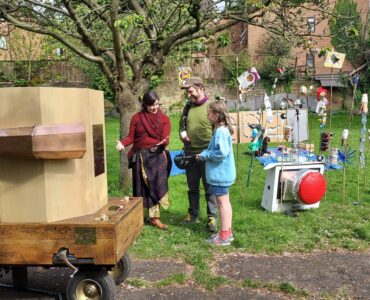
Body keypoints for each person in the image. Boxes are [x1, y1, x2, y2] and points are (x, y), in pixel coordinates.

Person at [116, 91, 171, 230]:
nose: (155, 107)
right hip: (140, 157)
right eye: (151, 105)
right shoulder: (137, 118)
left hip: (157, 156)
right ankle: (138, 217)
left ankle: (155, 218)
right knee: (140, 189)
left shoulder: (164, 119)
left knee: (156, 186)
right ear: (145, 104)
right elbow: (130, 137)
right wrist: (123, 143)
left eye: (157, 104)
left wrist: (164, 142)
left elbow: (165, 138)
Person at [179, 77, 218, 232]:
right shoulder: (188, 107)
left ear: (201, 88)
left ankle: (212, 217)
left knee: (209, 188)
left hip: (207, 154)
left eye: (190, 91)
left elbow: (219, 129)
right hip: (190, 153)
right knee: (192, 187)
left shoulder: (212, 107)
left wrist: (212, 151)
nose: (189, 95)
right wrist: (183, 135)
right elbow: (181, 125)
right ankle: (193, 214)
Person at [197, 101, 236, 245]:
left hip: (220, 174)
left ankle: (224, 236)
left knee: (222, 204)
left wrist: (205, 155)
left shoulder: (220, 131)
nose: (207, 116)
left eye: (209, 114)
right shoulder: (221, 129)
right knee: (225, 202)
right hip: (223, 174)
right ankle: (227, 232)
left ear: (216, 114)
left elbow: (221, 153)